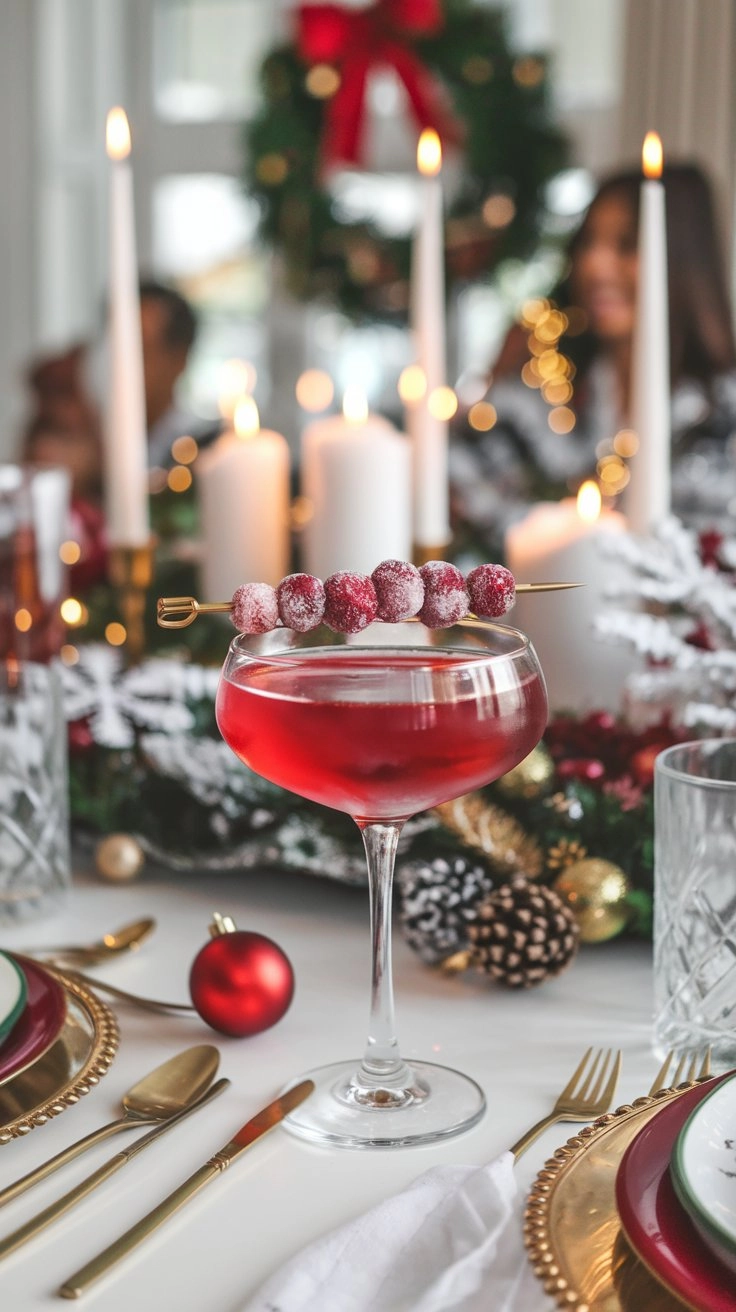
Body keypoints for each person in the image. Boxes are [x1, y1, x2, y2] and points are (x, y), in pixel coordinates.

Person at [451, 162, 736, 550]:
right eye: (587, 243)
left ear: (685, 260)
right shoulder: (550, 389)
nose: (594, 266)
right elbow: (465, 488)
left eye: (627, 245)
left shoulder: (720, 421)